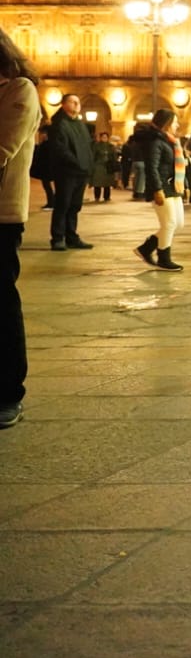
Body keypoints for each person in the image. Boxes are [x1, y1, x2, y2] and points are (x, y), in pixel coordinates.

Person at [1, 26, 43, 429]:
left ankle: (9, 392)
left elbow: (2, 149)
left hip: (2, 215)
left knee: (1, 304)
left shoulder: (20, 91)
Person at [132, 109, 186, 272]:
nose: (177, 125)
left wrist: (185, 185)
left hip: (173, 186)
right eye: (174, 122)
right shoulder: (155, 141)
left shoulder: (171, 141)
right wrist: (157, 189)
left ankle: (146, 248)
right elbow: (152, 167)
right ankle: (164, 258)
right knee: (169, 223)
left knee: (178, 224)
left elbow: (177, 165)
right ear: (166, 123)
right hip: (161, 186)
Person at [46, 94, 93, 251]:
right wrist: (76, 162)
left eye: (78, 102)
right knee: (63, 204)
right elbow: (60, 148)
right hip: (66, 171)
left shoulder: (79, 124)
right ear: (64, 104)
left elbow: (87, 146)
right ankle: (58, 238)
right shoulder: (59, 124)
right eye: (73, 102)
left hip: (81, 172)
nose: (77, 104)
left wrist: (88, 165)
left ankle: (71, 236)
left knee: (75, 205)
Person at [89, 132, 117, 202]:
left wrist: (114, 164)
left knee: (107, 182)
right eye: (103, 137)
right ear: (100, 138)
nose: (104, 138)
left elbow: (114, 156)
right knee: (97, 182)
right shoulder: (96, 146)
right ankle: (97, 197)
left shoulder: (111, 146)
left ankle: (106, 197)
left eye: (106, 137)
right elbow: (93, 155)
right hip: (98, 166)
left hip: (108, 166)